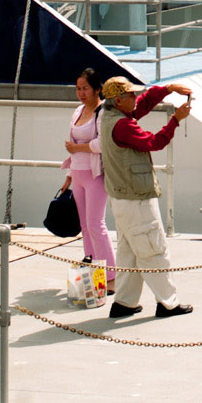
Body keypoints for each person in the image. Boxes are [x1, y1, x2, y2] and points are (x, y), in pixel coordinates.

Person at [97, 75, 195, 320]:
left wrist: (168, 89)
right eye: (130, 95)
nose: (135, 97)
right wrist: (175, 120)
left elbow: (141, 106)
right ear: (118, 100)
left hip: (122, 198)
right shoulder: (123, 125)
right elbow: (154, 142)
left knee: (129, 251)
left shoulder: (109, 116)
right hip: (136, 198)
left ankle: (124, 303)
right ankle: (168, 303)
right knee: (153, 249)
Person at [66, 69, 116, 293]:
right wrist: (67, 175)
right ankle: (93, 268)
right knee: (85, 226)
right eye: (78, 88)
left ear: (98, 89)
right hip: (77, 172)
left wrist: (77, 148)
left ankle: (111, 275)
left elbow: (101, 144)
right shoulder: (78, 111)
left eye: (85, 88)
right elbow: (72, 142)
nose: (81, 93)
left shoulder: (102, 112)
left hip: (95, 174)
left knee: (97, 224)